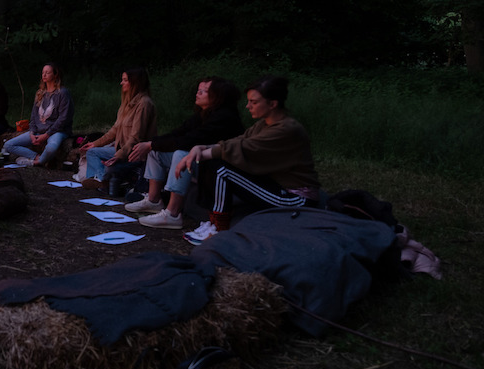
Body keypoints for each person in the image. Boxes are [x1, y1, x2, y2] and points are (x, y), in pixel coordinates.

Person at [165, 75, 320, 244]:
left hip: (295, 198)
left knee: (221, 169)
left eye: (254, 102)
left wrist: (201, 153)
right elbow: (237, 141)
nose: (248, 106)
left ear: (272, 104)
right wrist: (200, 148)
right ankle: (212, 222)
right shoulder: (263, 124)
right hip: (276, 186)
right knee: (215, 162)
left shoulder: (287, 129)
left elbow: (245, 148)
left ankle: (219, 227)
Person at [132, 76, 245, 229]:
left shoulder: (225, 117)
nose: (197, 94)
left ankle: (172, 214)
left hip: (218, 169)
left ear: (218, 96)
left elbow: (189, 141)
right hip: (202, 162)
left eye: (203, 91)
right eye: (198, 90)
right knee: (155, 151)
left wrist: (152, 144)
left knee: (182, 154)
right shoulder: (204, 114)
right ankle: (153, 201)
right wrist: (151, 144)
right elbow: (178, 133)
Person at [75, 68, 156, 191]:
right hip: (120, 148)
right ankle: (99, 180)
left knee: (109, 167)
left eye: (124, 80)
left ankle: (101, 181)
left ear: (134, 82)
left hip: (133, 153)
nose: (121, 83)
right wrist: (95, 144)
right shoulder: (126, 103)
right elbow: (114, 131)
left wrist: (118, 155)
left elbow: (136, 138)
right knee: (92, 152)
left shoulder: (144, 104)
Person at [2, 63, 74, 167]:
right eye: (43, 72)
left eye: (47, 72)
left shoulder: (62, 93)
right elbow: (33, 117)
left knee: (51, 148)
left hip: (57, 131)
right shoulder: (40, 93)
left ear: (55, 75)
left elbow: (63, 118)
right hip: (38, 131)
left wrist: (46, 135)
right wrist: (32, 133)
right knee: (8, 145)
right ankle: (37, 157)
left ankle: (37, 163)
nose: (44, 75)